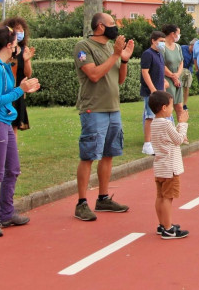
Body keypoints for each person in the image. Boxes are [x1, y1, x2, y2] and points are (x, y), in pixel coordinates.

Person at [0, 24, 41, 237]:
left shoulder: (2, 66)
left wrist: (22, 89)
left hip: (3, 122)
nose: (17, 45)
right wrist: (19, 90)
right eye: (15, 42)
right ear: (8, 45)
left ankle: (6, 212)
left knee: (12, 169)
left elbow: (4, 95)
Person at [72, 13, 135, 221]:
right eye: (111, 24)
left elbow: (120, 80)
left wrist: (123, 60)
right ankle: (81, 203)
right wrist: (116, 55)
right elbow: (94, 74)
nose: (115, 28)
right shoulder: (84, 46)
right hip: (94, 109)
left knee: (109, 153)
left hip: (113, 108)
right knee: (89, 155)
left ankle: (103, 198)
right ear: (100, 26)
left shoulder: (111, 48)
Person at [148, 90, 189, 240]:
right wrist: (183, 124)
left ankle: (162, 224)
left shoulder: (154, 123)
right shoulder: (166, 123)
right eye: (171, 106)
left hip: (160, 166)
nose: (173, 109)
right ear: (164, 107)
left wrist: (179, 128)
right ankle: (168, 228)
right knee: (168, 198)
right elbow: (178, 140)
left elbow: (171, 138)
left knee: (160, 196)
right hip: (170, 167)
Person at [140, 31, 169, 156]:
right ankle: (147, 144)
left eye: (164, 41)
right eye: (160, 41)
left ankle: (155, 142)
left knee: (159, 118)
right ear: (153, 40)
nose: (163, 43)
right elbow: (145, 72)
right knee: (150, 117)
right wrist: (152, 89)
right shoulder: (148, 54)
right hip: (151, 92)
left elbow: (160, 72)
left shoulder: (160, 54)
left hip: (160, 91)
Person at [4, 17, 34, 134]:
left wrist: (26, 61)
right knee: (5, 122)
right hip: (6, 91)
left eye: (22, 30)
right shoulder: (5, 49)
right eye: (17, 30)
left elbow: (28, 74)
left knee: (15, 124)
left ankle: (13, 150)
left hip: (18, 90)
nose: (20, 32)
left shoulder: (24, 49)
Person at [159, 24, 185, 119]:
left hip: (177, 79)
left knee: (179, 107)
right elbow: (161, 64)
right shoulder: (162, 47)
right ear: (172, 34)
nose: (179, 35)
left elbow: (181, 62)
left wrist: (177, 75)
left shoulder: (178, 47)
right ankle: (169, 130)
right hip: (167, 80)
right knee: (168, 108)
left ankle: (181, 132)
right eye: (178, 33)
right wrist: (173, 76)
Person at [179, 38, 195, 110]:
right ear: (191, 45)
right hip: (180, 69)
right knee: (178, 86)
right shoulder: (182, 48)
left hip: (188, 70)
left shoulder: (195, 53)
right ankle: (178, 103)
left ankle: (184, 104)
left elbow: (194, 62)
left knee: (187, 87)